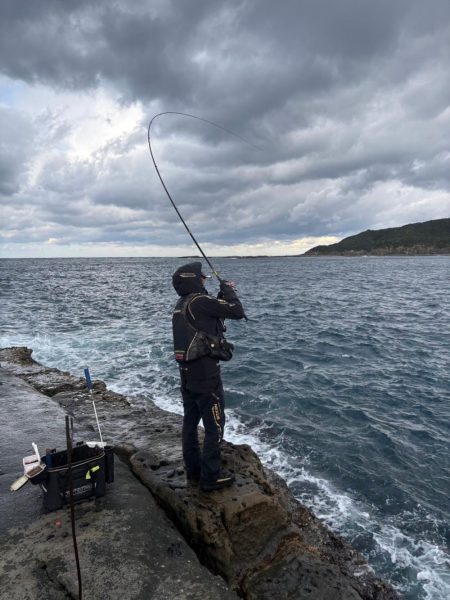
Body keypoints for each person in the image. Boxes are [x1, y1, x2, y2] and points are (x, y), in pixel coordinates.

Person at [172, 261, 245, 491]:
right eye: (202, 277)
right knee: (215, 424)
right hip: (206, 375)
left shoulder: (183, 303)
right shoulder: (200, 301)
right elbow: (236, 311)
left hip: (186, 374)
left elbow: (214, 311)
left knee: (190, 422)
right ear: (193, 279)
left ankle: (194, 471)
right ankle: (210, 477)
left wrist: (223, 294)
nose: (204, 280)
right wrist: (230, 291)